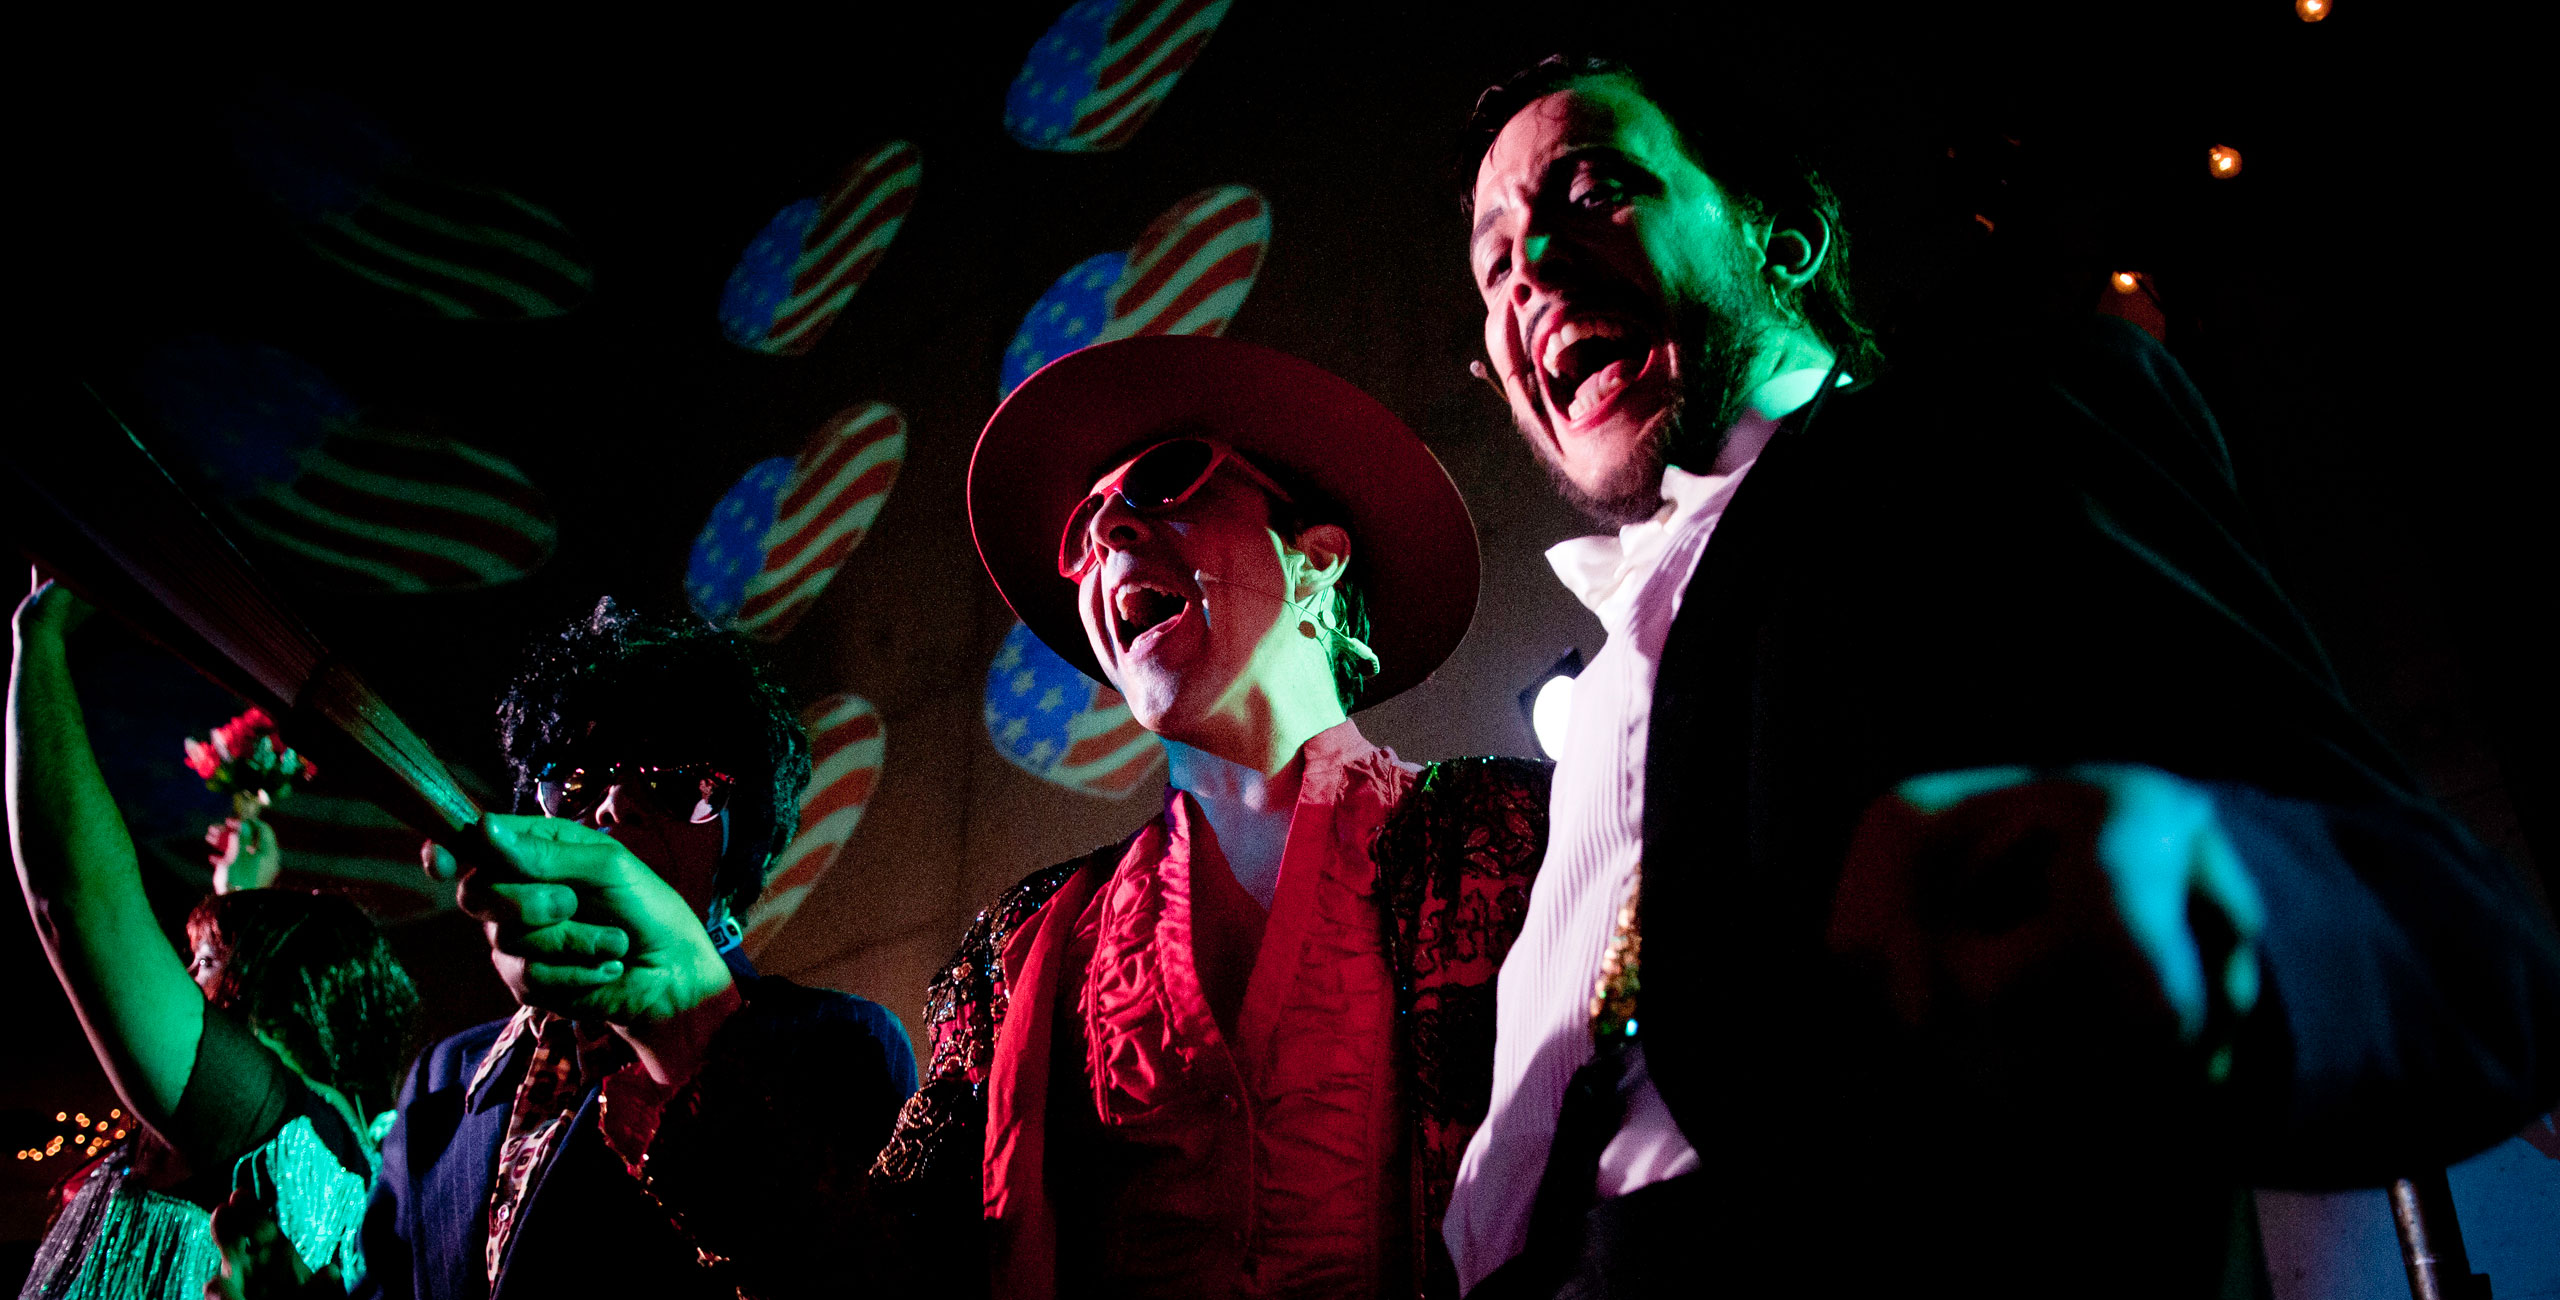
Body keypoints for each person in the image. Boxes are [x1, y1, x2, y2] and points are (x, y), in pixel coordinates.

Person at [1447, 54, 2560, 1297]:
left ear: (1782, 238)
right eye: (1491, 265)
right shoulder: (1599, 698)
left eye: (1592, 190)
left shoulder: (1990, 438)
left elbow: (2455, 959)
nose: (1526, 267)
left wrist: (2205, 895)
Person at [865, 335, 1549, 1300]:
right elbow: (891, 1265)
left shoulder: (1513, 836)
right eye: (1085, 531)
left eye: (1164, 481)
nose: (1108, 533)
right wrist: (697, 1023)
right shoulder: (1023, 949)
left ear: (1314, 562)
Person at [358, 599, 918, 1300]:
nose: (613, 805)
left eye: (676, 783)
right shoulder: (444, 1077)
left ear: (738, 842)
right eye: (577, 779)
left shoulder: (836, 1045)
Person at [10, 572, 420, 1299]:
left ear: (281, 992)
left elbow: (77, 900)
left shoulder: (267, 1123)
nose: (182, 981)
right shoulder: (319, 1136)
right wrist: (239, 897)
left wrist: (38, 638)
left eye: (203, 964)